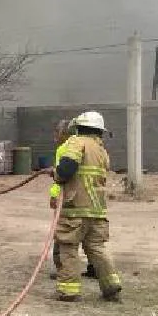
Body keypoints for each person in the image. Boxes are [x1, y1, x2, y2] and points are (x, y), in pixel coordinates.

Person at [49, 110, 122, 302]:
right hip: (97, 210)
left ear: (78, 127)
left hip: (75, 208)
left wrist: (56, 174)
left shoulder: (76, 142)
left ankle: (68, 291)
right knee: (97, 248)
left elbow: (66, 169)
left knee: (68, 247)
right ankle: (111, 286)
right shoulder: (101, 150)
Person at [48, 118, 97, 281]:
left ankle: (63, 269)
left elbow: (61, 177)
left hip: (69, 199)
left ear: (63, 133)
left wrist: (54, 195)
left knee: (63, 236)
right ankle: (94, 267)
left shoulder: (65, 149)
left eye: (56, 131)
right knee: (91, 237)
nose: (54, 135)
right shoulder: (91, 146)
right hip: (91, 200)